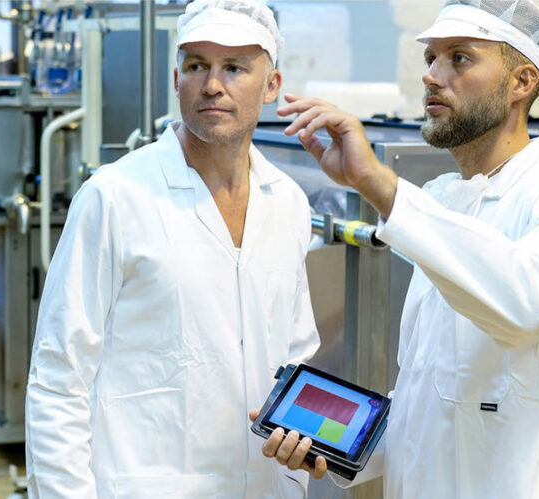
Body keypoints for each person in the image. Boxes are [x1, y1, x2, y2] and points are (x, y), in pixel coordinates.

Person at [257, 0, 539, 497]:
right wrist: (334, 446)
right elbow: (429, 403)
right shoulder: (442, 199)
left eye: (460, 58)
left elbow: (524, 304)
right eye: (430, 58)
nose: (432, 76)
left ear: (522, 82)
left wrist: (379, 185)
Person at [25, 1, 320, 497]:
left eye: (235, 68)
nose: (212, 85)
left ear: (271, 85)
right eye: (197, 66)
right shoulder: (115, 197)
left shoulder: (286, 201)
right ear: (176, 76)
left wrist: (299, 448)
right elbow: (59, 378)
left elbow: (295, 353)